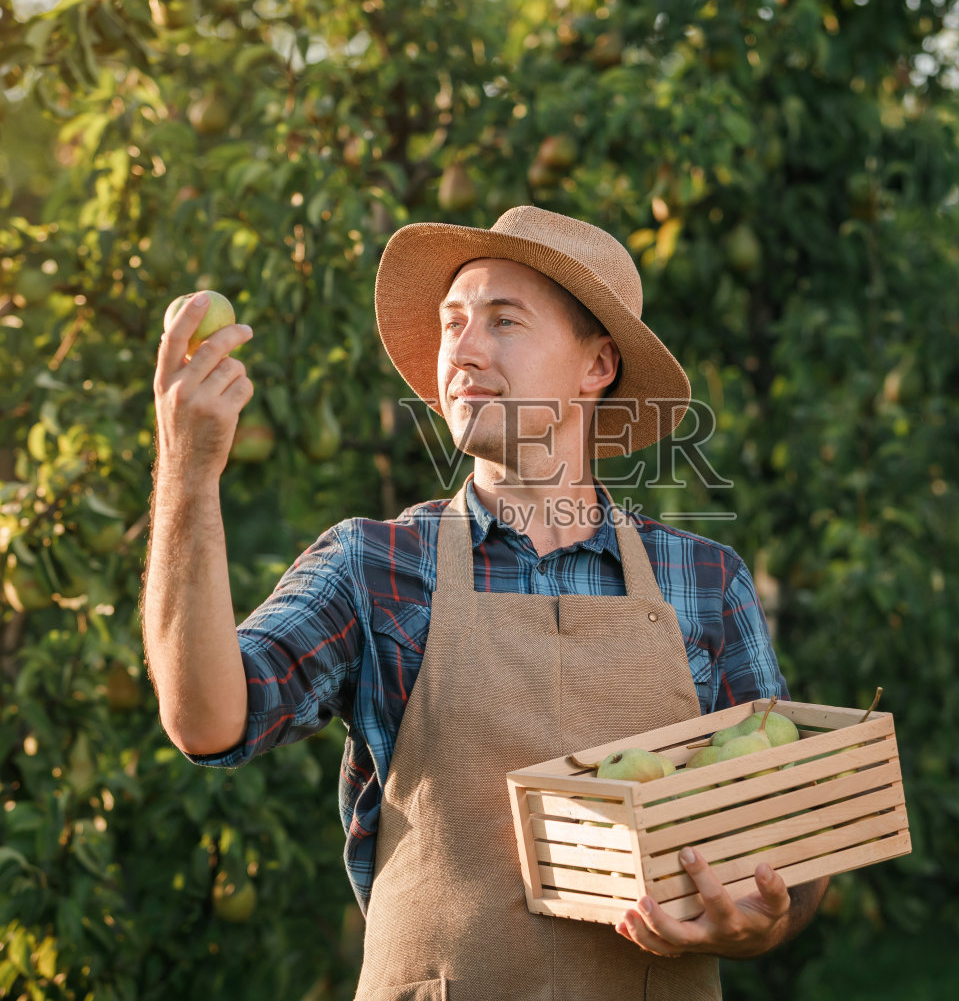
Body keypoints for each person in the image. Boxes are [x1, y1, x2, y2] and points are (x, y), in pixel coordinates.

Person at [142, 206, 829, 999]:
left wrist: (766, 921)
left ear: (596, 365)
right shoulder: (374, 565)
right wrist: (188, 474)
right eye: (452, 323)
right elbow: (207, 718)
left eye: (503, 321)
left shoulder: (705, 581)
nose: (462, 351)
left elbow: (799, 837)